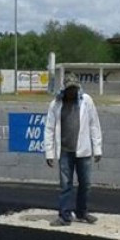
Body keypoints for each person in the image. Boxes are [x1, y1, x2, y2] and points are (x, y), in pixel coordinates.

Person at [42, 74, 102, 226]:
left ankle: (82, 213)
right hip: (65, 151)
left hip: (84, 151)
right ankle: (64, 216)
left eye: (75, 88)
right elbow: (49, 129)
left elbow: (94, 124)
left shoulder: (86, 101)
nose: (72, 92)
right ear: (64, 89)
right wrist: (49, 152)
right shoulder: (55, 104)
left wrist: (98, 148)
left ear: (78, 88)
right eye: (69, 89)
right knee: (65, 185)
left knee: (85, 184)